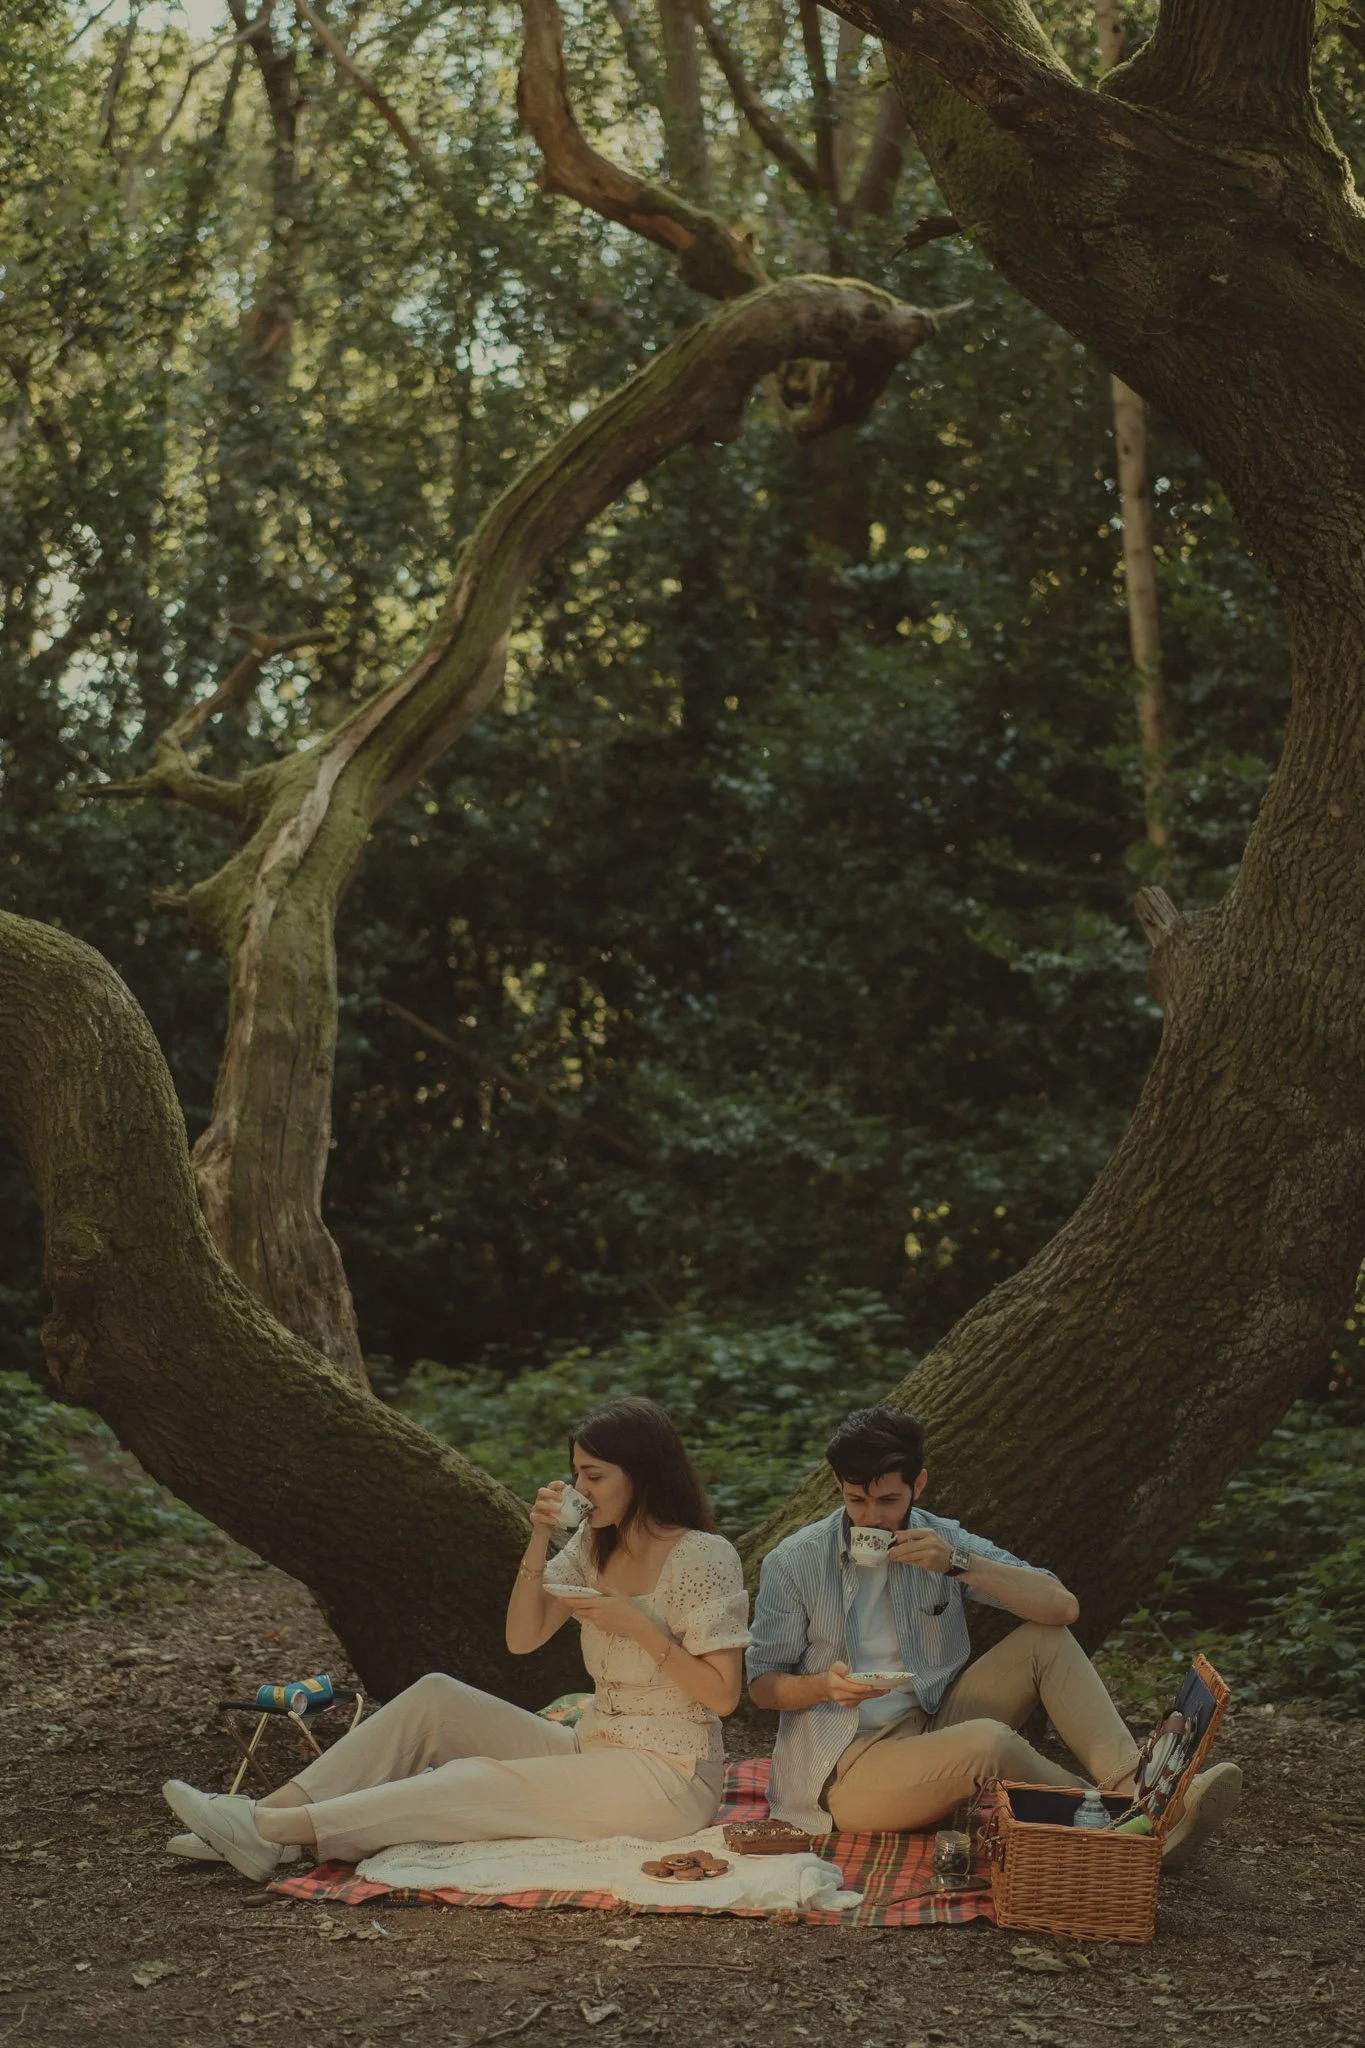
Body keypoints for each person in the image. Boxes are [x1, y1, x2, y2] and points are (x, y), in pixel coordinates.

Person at [162, 1397, 751, 1880]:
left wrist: (643, 1629)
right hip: (592, 1746)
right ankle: (262, 1816)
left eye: (594, 1476)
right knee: (437, 1697)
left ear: (642, 1475)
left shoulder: (702, 1556)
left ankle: (269, 1834)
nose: (581, 1488)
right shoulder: (596, 1545)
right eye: (576, 1475)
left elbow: (723, 1696)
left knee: (475, 1781)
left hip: (670, 1777)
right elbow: (522, 1638)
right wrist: (540, 1537)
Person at [747, 1405, 1240, 1868]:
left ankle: (1137, 1786)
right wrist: (822, 1687)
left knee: (1044, 1641)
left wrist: (959, 1564)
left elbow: (1062, 1607)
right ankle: (1123, 1823)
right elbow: (762, 1685)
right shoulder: (794, 1562)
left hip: (932, 1727)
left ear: (918, 1484)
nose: (872, 1517)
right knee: (988, 1743)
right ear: (838, 1484)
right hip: (846, 1771)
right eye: (857, 1500)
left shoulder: (942, 1541)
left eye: (889, 1500)